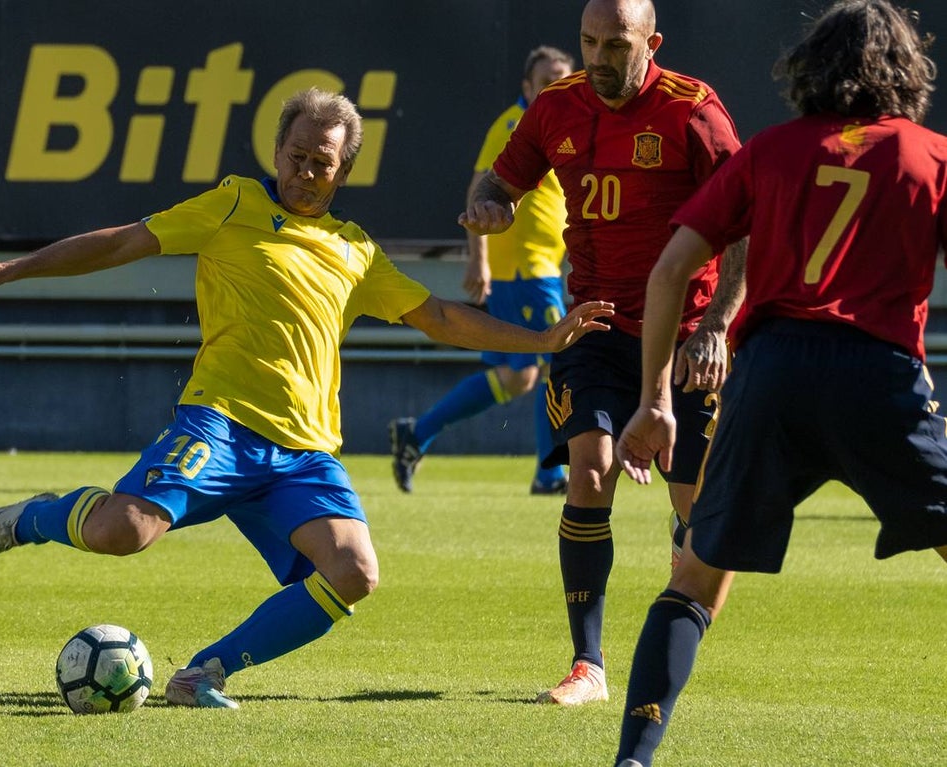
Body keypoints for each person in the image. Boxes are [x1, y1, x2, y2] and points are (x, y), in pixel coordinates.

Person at [0, 88, 615, 710]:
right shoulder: (232, 204)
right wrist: (8, 270)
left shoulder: (353, 250)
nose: (304, 171)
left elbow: (438, 315)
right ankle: (35, 517)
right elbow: (123, 241)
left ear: (341, 172)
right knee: (123, 532)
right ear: (276, 152)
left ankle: (201, 672)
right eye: (295, 157)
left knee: (355, 570)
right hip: (220, 425)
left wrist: (544, 338)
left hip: (303, 454)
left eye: (320, 163)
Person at [612, 1, 947, 764]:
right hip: (878, 376)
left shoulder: (768, 152)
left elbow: (670, 270)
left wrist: (655, 397)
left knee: (694, 577)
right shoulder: (930, 154)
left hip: (771, 376)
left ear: (811, 66)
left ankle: (634, 758)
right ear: (908, 71)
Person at [458, 0, 748, 707]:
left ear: (651, 41)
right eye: (588, 42)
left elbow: (746, 229)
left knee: (696, 510)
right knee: (589, 472)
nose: (598, 58)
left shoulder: (693, 110)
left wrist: (716, 325)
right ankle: (587, 663)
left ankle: (683, 605)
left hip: (684, 338)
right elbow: (495, 180)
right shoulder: (555, 107)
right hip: (593, 325)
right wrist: (489, 204)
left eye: (615, 44)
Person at [389, 45, 575, 496]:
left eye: (564, 78)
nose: (556, 85)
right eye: (547, 79)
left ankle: (417, 433)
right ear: (527, 87)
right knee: (559, 358)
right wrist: (479, 258)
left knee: (518, 376)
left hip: (538, 267)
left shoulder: (558, 122)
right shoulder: (515, 124)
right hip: (526, 269)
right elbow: (481, 188)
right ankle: (550, 473)